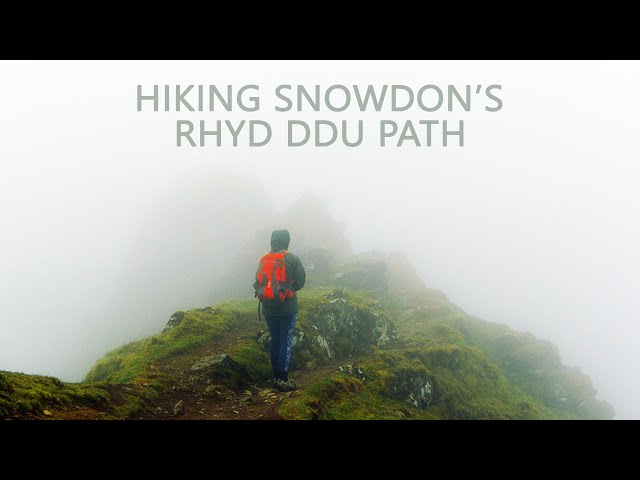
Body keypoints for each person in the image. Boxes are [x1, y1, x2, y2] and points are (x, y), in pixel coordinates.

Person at [253, 229, 306, 392]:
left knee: (275, 340)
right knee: (286, 341)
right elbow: (300, 282)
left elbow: (257, 283)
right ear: (287, 241)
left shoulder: (264, 260)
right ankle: (283, 380)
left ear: (272, 242)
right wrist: (287, 291)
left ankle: (276, 376)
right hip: (287, 308)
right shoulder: (292, 259)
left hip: (268, 308)